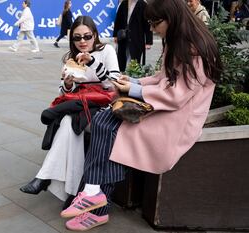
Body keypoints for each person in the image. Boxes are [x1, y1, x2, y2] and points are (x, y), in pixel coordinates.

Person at [60, 0, 222, 230]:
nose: (153, 29)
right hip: (164, 106)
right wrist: (133, 81)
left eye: (156, 23)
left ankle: (95, 200)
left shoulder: (194, 49)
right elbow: (162, 77)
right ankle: (93, 193)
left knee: (110, 129)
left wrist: (134, 89)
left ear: (172, 18)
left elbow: (177, 95)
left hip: (177, 117)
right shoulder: (180, 42)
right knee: (103, 120)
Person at [20, 15, 120, 202]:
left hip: (101, 104)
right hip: (79, 104)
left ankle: (46, 178)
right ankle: (69, 192)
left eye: (87, 36)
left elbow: (113, 84)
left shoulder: (106, 50)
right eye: (77, 37)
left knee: (70, 121)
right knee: (69, 122)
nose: (82, 41)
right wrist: (67, 83)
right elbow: (63, 91)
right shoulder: (70, 58)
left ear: (95, 35)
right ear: (71, 38)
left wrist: (91, 62)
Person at [113, 0, 153, 72]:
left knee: (135, 56)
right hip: (123, 36)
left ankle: (132, 74)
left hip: (137, 36)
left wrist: (148, 41)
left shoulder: (143, 4)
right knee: (122, 56)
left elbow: (147, 24)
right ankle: (121, 73)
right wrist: (115, 35)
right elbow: (118, 20)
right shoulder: (124, 3)